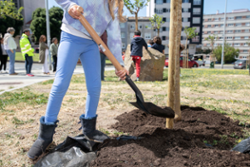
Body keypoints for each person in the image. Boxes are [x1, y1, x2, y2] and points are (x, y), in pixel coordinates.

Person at [27, 0, 128, 160]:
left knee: (95, 87)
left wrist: (119, 64)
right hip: (71, 36)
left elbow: (114, 35)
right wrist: (69, 5)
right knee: (60, 84)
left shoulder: (113, 4)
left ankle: (89, 128)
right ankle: (45, 136)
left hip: (92, 44)